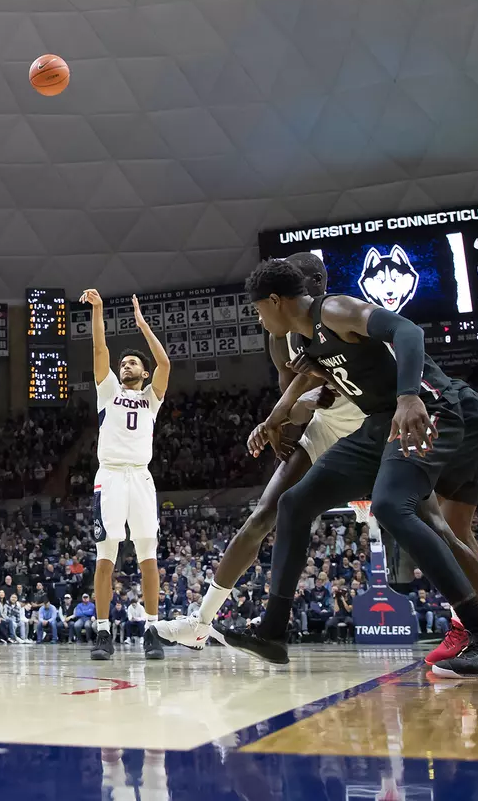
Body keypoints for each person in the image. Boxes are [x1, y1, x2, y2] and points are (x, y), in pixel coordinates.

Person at [221, 259, 478, 679]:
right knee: (294, 502)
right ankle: (273, 633)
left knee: (391, 506)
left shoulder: (333, 310)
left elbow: (408, 331)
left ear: (274, 301)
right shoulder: (307, 341)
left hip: (429, 408)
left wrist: (407, 396)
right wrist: (276, 419)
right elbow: (307, 381)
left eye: (258, 309)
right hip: (380, 423)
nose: (257, 318)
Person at [153, 253, 366, 649]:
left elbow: (340, 387)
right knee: (263, 513)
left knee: (421, 521)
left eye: (291, 285)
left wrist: (295, 408)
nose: (280, 295)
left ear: (316, 285)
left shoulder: (341, 314)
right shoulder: (278, 334)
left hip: (369, 421)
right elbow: (291, 397)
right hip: (325, 425)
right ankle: (201, 623)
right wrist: (276, 429)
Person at [78, 289, 170, 661]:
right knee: (106, 556)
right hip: (112, 476)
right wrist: (98, 310)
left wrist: (144, 326)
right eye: (124, 362)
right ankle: (103, 634)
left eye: (133, 363)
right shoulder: (108, 390)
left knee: (148, 554)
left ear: (143, 373)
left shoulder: (151, 398)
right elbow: (100, 351)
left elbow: (165, 364)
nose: (126, 365)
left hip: (141, 479)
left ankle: (152, 630)